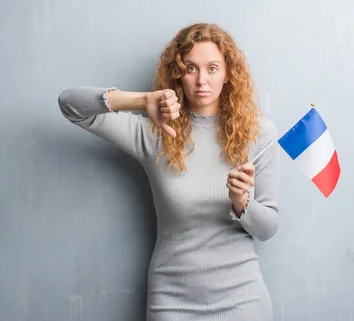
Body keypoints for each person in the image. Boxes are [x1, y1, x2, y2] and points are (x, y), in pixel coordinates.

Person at [58, 22, 280, 321]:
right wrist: (142, 100)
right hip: (172, 302)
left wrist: (243, 203)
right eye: (191, 68)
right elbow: (71, 106)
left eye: (213, 68)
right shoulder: (154, 134)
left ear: (228, 73)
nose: (202, 80)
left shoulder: (259, 134)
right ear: (178, 73)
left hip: (242, 302)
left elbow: (268, 229)